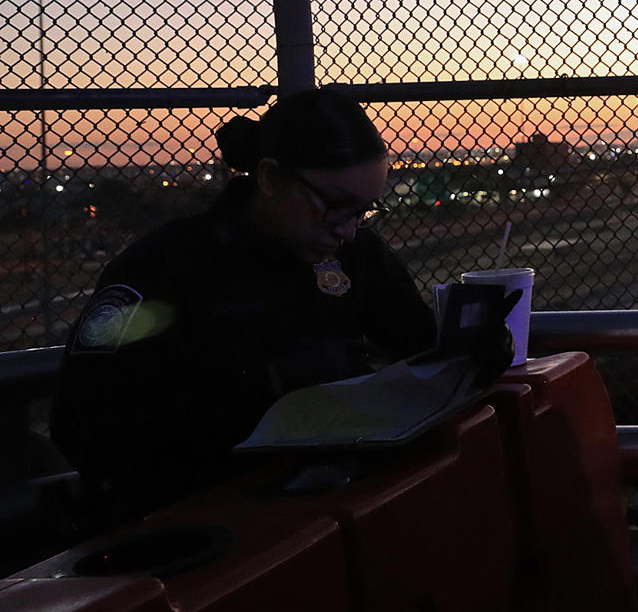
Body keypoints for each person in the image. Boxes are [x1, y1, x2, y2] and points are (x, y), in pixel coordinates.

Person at [51, 88, 437, 517]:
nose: (348, 229)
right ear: (270, 177)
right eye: (336, 205)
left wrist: (468, 353)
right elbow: (82, 422)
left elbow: (418, 344)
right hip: (214, 518)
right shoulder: (164, 270)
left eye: (365, 210)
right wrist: (248, 399)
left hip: (339, 500)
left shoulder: (355, 252)